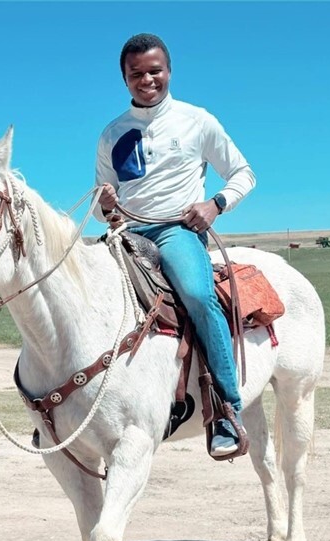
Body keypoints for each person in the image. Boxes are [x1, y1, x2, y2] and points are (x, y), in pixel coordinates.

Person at [94, 33, 256, 457]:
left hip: (175, 231)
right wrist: (105, 204)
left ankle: (226, 410)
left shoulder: (197, 121)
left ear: (169, 71)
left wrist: (215, 205)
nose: (147, 80)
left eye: (155, 71)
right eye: (136, 74)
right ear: (124, 78)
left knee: (198, 296)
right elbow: (101, 207)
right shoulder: (112, 134)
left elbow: (243, 174)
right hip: (126, 234)